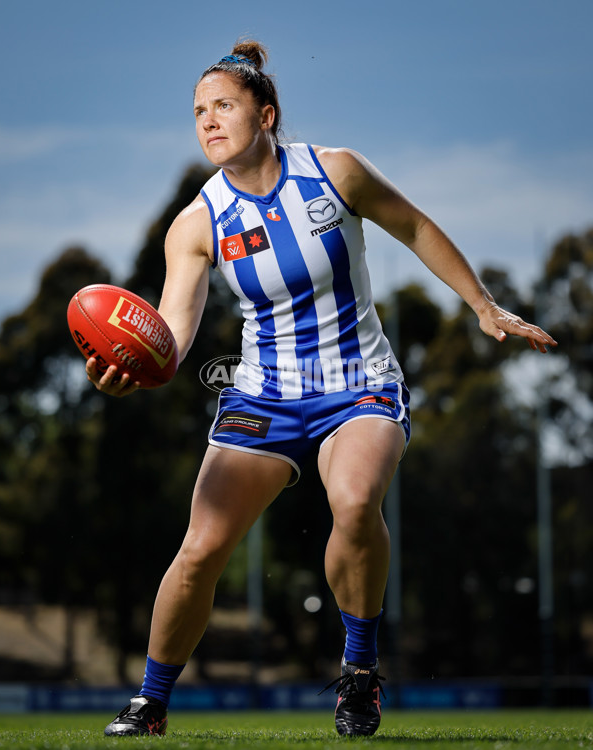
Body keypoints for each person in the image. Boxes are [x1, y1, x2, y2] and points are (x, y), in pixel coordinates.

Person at [87, 40, 557, 737]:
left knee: (356, 500)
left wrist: (483, 306)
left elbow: (416, 226)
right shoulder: (196, 223)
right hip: (261, 398)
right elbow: (176, 330)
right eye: (197, 112)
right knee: (201, 549)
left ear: (266, 114)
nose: (208, 121)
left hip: (358, 383)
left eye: (224, 105)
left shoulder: (335, 172)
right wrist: (144, 369)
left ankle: (359, 674)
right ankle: (151, 702)